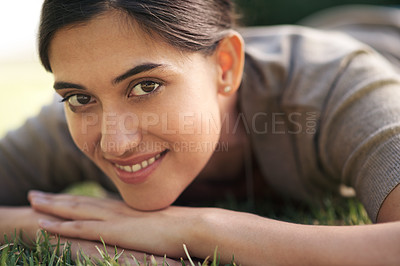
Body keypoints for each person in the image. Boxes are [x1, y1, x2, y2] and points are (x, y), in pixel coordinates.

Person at [1, 1, 400, 265]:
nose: (113, 142)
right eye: (77, 97)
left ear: (225, 68)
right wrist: (51, 229)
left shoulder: (335, 89)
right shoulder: (75, 123)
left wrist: (200, 230)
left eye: (146, 87)